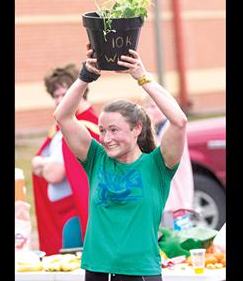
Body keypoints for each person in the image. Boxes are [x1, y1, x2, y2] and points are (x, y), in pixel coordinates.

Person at [54, 45, 188, 280]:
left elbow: (179, 121)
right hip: (97, 270)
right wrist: (85, 77)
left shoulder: (157, 165)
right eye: (103, 130)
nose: (106, 139)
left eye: (114, 130)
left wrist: (142, 77)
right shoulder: (96, 159)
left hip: (140, 273)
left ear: (137, 129)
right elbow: (63, 116)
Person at [32, 64, 99, 255]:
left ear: (80, 91)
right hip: (59, 215)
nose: (61, 100)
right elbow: (35, 161)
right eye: (56, 96)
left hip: (76, 215)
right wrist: (44, 164)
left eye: (65, 94)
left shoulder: (84, 127)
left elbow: (54, 174)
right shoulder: (59, 128)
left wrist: (42, 165)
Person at [142, 96, 194, 225]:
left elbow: (160, 151)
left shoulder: (171, 129)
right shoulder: (154, 129)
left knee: (176, 237)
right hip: (161, 199)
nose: (149, 111)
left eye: (153, 107)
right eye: (146, 107)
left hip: (176, 196)